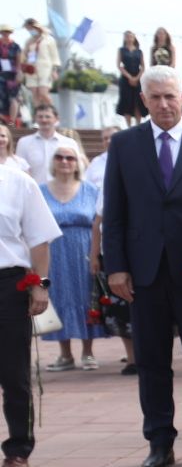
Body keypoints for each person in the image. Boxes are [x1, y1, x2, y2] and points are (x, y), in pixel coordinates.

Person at [101, 65, 182, 467]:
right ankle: (159, 440)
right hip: (144, 274)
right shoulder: (124, 145)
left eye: (170, 96)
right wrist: (117, 268)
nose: (163, 104)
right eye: (155, 97)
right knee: (153, 361)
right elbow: (116, 212)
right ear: (143, 100)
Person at [0, 160, 56, 467]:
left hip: (7, 283)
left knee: (13, 372)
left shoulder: (18, 182)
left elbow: (39, 239)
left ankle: (18, 448)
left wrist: (40, 286)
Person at [37, 138, 105, 372]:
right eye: (59, 157)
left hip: (83, 250)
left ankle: (88, 352)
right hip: (52, 251)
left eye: (70, 158)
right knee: (57, 296)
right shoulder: (40, 190)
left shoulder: (91, 190)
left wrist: (97, 254)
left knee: (86, 296)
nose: (65, 162)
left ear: (78, 163)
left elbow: (99, 223)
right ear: (52, 163)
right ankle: (64, 353)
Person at [18, 103, 62, 185]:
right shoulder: (24, 142)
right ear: (35, 119)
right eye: (40, 117)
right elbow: (20, 169)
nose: (44, 120)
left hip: (61, 192)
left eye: (47, 117)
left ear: (56, 119)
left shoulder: (68, 143)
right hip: (34, 192)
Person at [21, 19, 58, 113]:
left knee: (43, 93)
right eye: (28, 29)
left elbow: (54, 56)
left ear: (36, 27)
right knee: (35, 94)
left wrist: (54, 70)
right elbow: (24, 55)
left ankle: (52, 114)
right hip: (31, 69)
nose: (30, 31)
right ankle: (38, 116)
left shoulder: (49, 39)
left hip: (45, 69)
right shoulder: (28, 41)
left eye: (31, 28)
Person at [116, 30, 146, 123]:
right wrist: (129, 77)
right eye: (127, 36)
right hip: (125, 78)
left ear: (134, 38)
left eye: (131, 36)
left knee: (138, 102)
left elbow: (143, 66)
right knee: (127, 102)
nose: (129, 38)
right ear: (124, 38)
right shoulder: (121, 50)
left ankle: (138, 124)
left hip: (138, 77)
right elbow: (119, 65)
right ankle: (128, 126)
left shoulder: (139, 51)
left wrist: (136, 78)